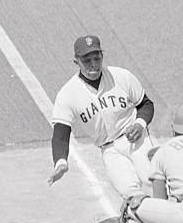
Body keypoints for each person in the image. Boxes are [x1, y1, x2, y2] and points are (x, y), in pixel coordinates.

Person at [48, 35, 156, 198]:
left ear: (102, 56)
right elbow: (61, 134)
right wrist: (61, 162)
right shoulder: (68, 94)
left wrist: (140, 123)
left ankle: (179, 217)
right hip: (109, 149)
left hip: (138, 139)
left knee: (154, 178)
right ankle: (143, 221)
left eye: (97, 58)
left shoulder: (121, 76)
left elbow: (145, 104)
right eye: (86, 60)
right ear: (76, 61)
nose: (93, 64)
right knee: (129, 192)